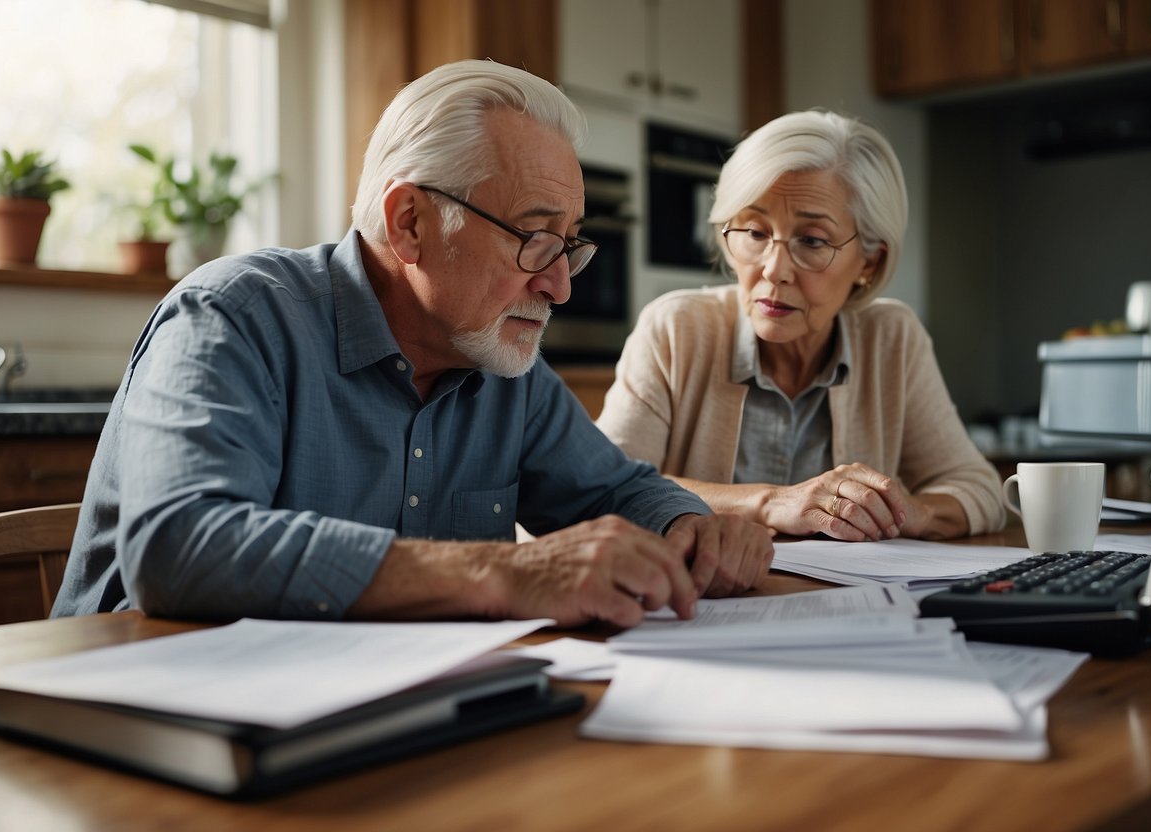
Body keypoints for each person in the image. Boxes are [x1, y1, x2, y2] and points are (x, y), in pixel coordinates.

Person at [51, 60, 774, 627]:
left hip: (366, 718)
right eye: (533, 238)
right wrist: (505, 574)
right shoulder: (233, 316)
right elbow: (180, 547)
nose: (560, 285)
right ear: (409, 225)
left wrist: (694, 526)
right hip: (137, 729)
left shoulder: (500, 360)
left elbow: (617, 492)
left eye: (569, 245)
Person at [596, 109, 1005, 542]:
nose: (774, 270)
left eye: (811, 241)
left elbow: (981, 489)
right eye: (754, 232)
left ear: (870, 261)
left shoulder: (892, 338)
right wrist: (770, 502)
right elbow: (605, 487)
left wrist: (912, 511)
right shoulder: (675, 330)